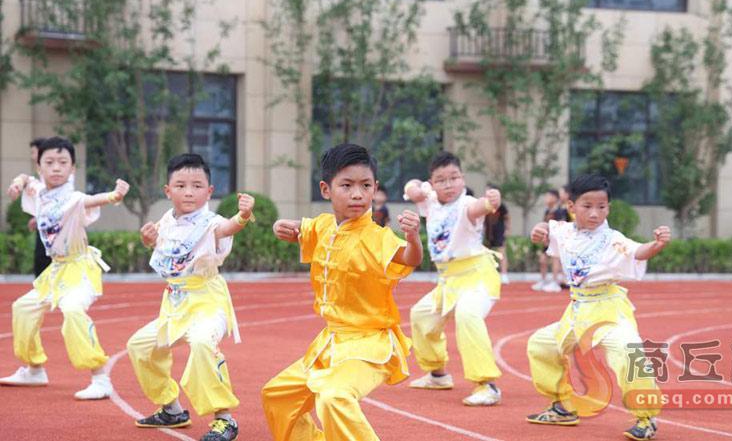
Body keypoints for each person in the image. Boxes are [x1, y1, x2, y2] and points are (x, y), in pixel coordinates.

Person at [261, 143, 423, 441]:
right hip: (331, 343)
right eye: (347, 186)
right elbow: (301, 229)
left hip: (369, 345)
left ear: (375, 189)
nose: (357, 194)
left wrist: (413, 238)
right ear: (326, 189)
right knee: (277, 395)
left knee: (334, 396)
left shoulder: (378, 238)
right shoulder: (323, 226)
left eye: (365, 186)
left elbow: (410, 258)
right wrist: (280, 226)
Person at [526, 174, 671, 441]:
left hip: (607, 310)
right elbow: (547, 229)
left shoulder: (613, 240)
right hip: (578, 311)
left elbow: (638, 251)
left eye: (601, 207)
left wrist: (657, 245)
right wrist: (539, 229)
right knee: (541, 344)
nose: (595, 213)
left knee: (629, 352)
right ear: (571, 206)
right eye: (587, 206)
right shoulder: (565, 231)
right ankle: (561, 407)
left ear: (608, 208)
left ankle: (646, 418)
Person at [128, 153, 254, 441]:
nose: (188, 192)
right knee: (140, 346)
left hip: (208, 302)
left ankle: (225, 419)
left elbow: (228, 228)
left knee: (201, 343)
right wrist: (148, 240)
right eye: (181, 185)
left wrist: (244, 216)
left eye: (197, 186)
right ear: (168, 191)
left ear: (209, 191)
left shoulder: (211, 222)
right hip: (176, 306)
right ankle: (171, 409)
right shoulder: (167, 220)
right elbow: (162, 249)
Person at [1, 136, 129, 400]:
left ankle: (101, 378)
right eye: (49, 162)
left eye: (63, 162)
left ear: (72, 168)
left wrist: (115, 195)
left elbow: (93, 200)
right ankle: (34, 369)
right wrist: (17, 183)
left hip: (79, 268)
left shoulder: (74, 198)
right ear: (40, 167)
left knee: (72, 310)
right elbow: (26, 179)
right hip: (56, 271)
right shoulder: (39, 191)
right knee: (22, 308)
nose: (56, 167)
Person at [404, 151, 504, 406]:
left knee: (467, 315)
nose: (448, 185)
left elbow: (482, 207)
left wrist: (492, 200)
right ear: (432, 183)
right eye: (441, 180)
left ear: (463, 179)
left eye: (454, 178)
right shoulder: (430, 201)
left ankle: (487, 385)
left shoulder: (468, 205)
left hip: (476, 277)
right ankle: (438, 375)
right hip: (448, 282)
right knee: (421, 316)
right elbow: (411, 187)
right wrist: (415, 189)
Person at [532, 189, 569, 292]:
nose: (546, 199)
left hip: (557, 240)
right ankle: (543, 280)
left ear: (554, 198)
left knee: (556, 260)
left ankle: (555, 281)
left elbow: (561, 225)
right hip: (547, 240)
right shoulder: (547, 211)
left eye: (548, 196)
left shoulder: (560, 211)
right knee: (542, 260)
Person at [29, 139, 52, 277]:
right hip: (43, 223)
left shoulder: (51, 174)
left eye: (33, 152)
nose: (32, 156)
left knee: (44, 259)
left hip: (52, 224)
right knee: (41, 259)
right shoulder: (40, 173)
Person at [483, 183, 510, 284]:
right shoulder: (484, 205)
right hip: (488, 232)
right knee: (486, 254)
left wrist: (507, 229)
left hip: (499, 231)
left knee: (501, 252)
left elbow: (507, 218)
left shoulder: (501, 206)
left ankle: (504, 274)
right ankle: (487, 273)